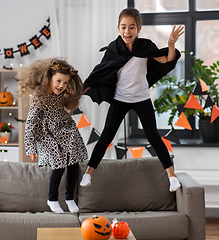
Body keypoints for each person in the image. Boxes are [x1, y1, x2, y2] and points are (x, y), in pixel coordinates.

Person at [79, 8, 184, 192]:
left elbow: (168, 59)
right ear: (118, 28)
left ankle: (172, 177)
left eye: (132, 27)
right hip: (120, 99)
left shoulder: (145, 47)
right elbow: (100, 72)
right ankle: (88, 173)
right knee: (106, 136)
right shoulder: (113, 49)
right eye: (124, 27)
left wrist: (171, 43)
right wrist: (81, 90)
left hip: (141, 98)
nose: (127, 32)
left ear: (139, 28)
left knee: (153, 137)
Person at [17, 59, 88, 213]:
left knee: (73, 163)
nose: (61, 85)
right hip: (48, 135)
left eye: (65, 83)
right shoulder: (38, 99)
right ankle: (52, 198)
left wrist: (70, 99)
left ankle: (69, 197)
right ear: (48, 78)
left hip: (66, 131)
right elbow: (30, 123)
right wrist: (31, 147)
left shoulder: (62, 94)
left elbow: (70, 106)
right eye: (58, 81)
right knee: (58, 164)